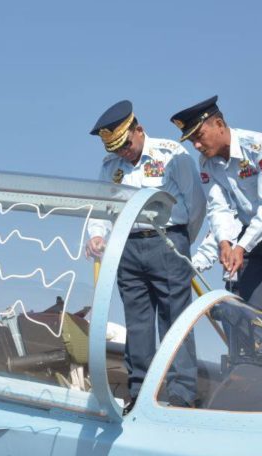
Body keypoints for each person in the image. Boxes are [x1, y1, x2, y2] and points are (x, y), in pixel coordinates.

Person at [87, 100, 205, 408]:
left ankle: (181, 394)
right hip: (127, 247)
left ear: (139, 130)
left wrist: (180, 242)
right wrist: (97, 235)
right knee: (137, 324)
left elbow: (195, 204)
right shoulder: (109, 168)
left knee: (174, 319)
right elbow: (102, 204)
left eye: (125, 144)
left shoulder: (171, 155)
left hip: (167, 241)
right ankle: (140, 394)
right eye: (115, 148)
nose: (122, 152)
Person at [170, 96, 262, 327]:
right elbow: (218, 206)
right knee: (251, 314)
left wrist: (241, 247)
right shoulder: (206, 163)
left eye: (199, 136)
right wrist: (225, 243)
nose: (196, 146)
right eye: (191, 140)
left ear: (219, 125)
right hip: (248, 235)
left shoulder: (260, 147)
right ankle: (258, 363)